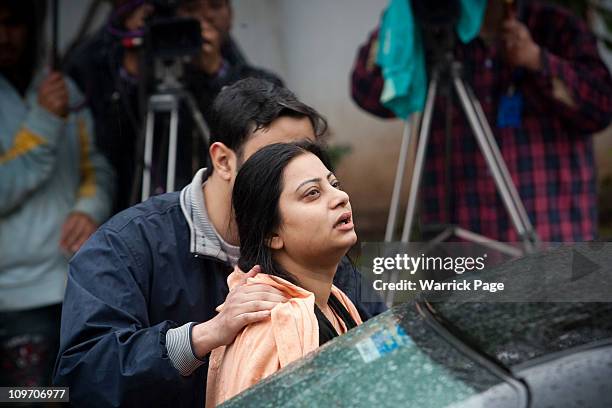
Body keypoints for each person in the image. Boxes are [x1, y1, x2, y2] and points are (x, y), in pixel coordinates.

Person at [53, 78, 386, 407]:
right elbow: (81, 376)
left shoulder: (313, 243)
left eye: (308, 155)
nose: (298, 168)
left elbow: (380, 335)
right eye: (275, 156)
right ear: (223, 160)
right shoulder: (125, 245)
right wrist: (203, 336)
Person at [351, 0, 612, 242]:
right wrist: (400, 20)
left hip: (551, 233)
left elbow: (601, 107)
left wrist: (537, 59)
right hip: (462, 246)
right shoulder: (431, 29)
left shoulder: (554, 25)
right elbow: (368, 93)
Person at [64, 0, 283, 214]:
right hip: (139, 207)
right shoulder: (135, 79)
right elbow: (110, 149)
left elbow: (258, 143)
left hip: (221, 213)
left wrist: (216, 75)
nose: (204, 16)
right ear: (171, 18)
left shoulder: (257, 82)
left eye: (215, 6)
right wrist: (131, 72)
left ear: (231, 14)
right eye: (191, 8)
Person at [0, 0, 114, 387]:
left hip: (76, 281)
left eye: (13, 23)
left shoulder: (60, 87)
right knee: (30, 399)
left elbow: (95, 166)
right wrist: (45, 122)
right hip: (16, 296)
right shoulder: (51, 101)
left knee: (86, 394)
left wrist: (88, 207)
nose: (4, 37)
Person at [206, 142, 363, 406]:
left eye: (334, 185)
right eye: (312, 193)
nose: (340, 197)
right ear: (272, 234)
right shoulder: (271, 327)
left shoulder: (335, 300)